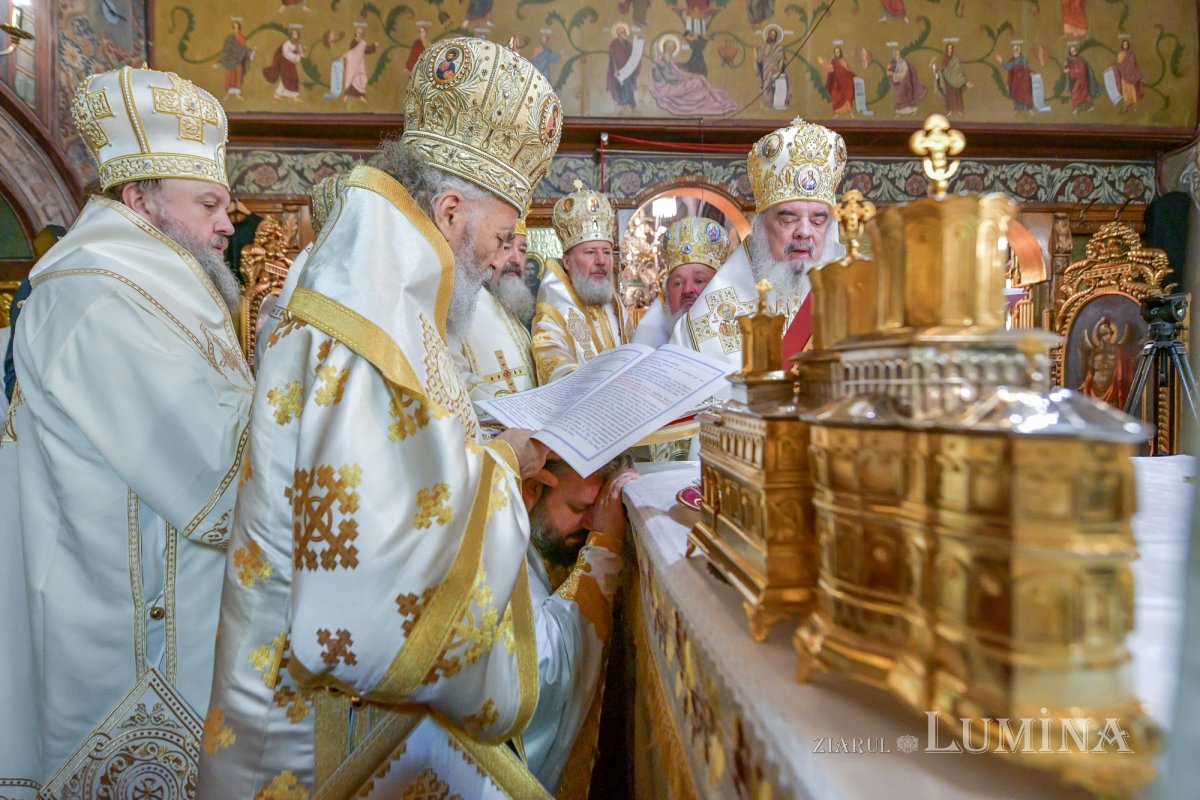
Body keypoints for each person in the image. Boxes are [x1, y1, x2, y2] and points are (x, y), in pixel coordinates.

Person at [195, 37, 564, 798]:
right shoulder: (363, 318)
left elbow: (392, 487)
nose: (503, 260)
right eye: (500, 238)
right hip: (321, 733)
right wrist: (504, 466)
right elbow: (375, 567)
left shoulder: (385, 296)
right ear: (450, 210)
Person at [0, 66, 250, 795]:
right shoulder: (96, 295)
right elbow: (213, 474)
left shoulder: (154, 287)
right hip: (122, 653)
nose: (227, 222)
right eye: (208, 203)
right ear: (140, 200)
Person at [670, 118, 847, 369]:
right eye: (789, 218)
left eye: (818, 220)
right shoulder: (706, 319)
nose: (805, 232)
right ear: (762, 227)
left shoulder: (856, 289)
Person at [521, 455, 637, 793]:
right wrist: (603, 547)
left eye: (600, 508)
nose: (592, 523)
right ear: (534, 488)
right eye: (577, 507)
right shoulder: (495, 540)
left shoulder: (543, 533)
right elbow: (542, 670)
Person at [532, 180, 629, 383]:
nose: (601, 261)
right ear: (567, 262)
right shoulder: (552, 317)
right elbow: (557, 375)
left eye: (606, 252)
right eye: (590, 252)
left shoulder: (614, 306)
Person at [456, 211, 538, 409]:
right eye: (507, 247)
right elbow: (450, 373)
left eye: (522, 250)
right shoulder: (461, 301)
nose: (516, 259)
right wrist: (506, 405)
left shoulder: (512, 303)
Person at [633, 216, 727, 348]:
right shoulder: (649, 352)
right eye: (678, 283)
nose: (688, 289)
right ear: (666, 297)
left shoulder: (744, 347)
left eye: (699, 281)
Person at [648, 34, 737, 116]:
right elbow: (668, 76)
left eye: (673, 50)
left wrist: (689, 76)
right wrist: (682, 78)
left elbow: (677, 70)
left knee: (699, 78)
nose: (672, 52)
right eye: (671, 49)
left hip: (676, 82)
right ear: (665, 48)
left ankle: (712, 97)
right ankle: (708, 99)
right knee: (697, 83)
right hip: (669, 88)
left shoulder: (668, 59)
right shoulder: (661, 62)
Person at [264, 25, 304, 101]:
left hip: (291, 63)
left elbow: (301, 53)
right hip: (285, 63)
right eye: (293, 33)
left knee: (289, 78)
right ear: (291, 34)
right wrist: (297, 56)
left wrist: (302, 54)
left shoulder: (298, 44)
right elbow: (286, 53)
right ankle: (292, 96)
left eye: (296, 34)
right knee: (287, 78)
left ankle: (285, 95)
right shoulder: (287, 43)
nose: (294, 35)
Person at [218, 19, 254, 99]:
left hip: (238, 60)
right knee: (230, 76)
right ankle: (229, 93)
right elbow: (226, 49)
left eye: (237, 28)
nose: (236, 29)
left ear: (239, 29)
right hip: (230, 60)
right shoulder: (229, 38)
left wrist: (249, 53)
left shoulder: (242, 38)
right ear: (232, 28)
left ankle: (237, 93)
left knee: (238, 75)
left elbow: (243, 49)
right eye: (234, 28)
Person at [607, 21, 640, 108]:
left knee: (628, 83)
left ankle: (629, 100)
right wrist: (615, 69)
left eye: (624, 32)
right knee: (620, 84)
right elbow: (613, 57)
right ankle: (624, 100)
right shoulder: (614, 44)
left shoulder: (629, 44)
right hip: (618, 68)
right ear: (618, 34)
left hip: (628, 68)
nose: (624, 34)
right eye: (621, 32)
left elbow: (633, 55)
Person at [756, 24, 789, 110]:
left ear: (775, 37)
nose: (771, 36)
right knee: (765, 87)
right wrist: (756, 54)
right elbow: (760, 60)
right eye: (770, 34)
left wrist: (778, 71)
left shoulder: (778, 48)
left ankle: (771, 102)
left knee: (769, 86)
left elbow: (782, 60)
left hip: (773, 70)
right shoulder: (763, 47)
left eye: (773, 35)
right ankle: (766, 103)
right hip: (765, 70)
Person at [342, 25, 377, 103]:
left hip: (360, 64)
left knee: (362, 78)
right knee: (351, 78)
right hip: (353, 64)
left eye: (361, 33)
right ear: (356, 33)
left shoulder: (363, 43)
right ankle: (346, 95)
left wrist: (374, 45)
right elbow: (352, 53)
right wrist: (345, 56)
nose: (359, 34)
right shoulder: (353, 42)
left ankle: (361, 96)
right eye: (358, 33)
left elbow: (367, 50)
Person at [933, 42, 970, 116]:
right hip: (947, 79)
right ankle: (950, 110)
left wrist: (963, 80)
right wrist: (936, 71)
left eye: (951, 48)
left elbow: (959, 69)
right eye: (949, 48)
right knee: (949, 96)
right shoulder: (944, 58)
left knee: (957, 95)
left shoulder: (955, 59)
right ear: (947, 49)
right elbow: (943, 69)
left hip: (955, 79)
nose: (950, 49)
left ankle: (959, 110)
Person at [887, 47, 926, 115]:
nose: (897, 56)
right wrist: (890, 71)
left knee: (901, 94)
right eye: (896, 54)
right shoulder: (896, 63)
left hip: (905, 81)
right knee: (900, 94)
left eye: (898, 54)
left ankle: (908, 109)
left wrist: (893, 74)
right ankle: (906, 109)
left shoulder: (903, 62)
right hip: (900, 81)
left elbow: (903, 74)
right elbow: (893, 71)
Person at [998, 44, 1035, 113]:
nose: (1015, 51)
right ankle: (1017, 108)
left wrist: (1030, 73)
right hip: (1015, 79)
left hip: (1023, 79)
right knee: (1014, 92)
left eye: (1016, 49)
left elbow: (1026, 68)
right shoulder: (1013, 59)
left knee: (1026, 93)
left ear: (1019, 50)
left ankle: (1029, 108)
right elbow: (1009, 67)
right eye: (1014, 50)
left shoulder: (1023, 59)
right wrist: (1002, 61)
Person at [1065, 43, 1101, 113]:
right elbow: (1066, 70)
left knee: (1086, 93)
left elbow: (1087, 68)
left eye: (1075, 50)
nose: (1074, 52)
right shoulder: (1068, 60)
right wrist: (1072, 71)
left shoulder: (1081, 58)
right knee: (1075, 93)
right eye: (1072, 51)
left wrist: (1080, 71)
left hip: (1083, 79)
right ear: (1070, 52)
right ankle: (1076, 108)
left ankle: (1091, 106)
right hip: (1076, 79)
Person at [822, 46, 857, 115]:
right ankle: (837, 112)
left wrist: (853, 76)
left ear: (840, 53)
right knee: (836, 96)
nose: (837, 53)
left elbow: (847, 71)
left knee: (847, 93)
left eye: (838, 52)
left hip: (845, 82)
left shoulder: (843, 61)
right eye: (835, 52)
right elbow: (829, 70)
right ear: (834, 53)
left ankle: (848, 111)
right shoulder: (832, 61)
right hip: (836, 82)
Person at [1114, 38, 1143, 109]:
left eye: (1126, 44)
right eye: (1124, 44)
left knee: (1132, 90)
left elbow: (1134, 65)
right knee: (1126, 91)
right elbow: (1119, 65)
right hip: (1124, 76)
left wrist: (1138, 75)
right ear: (1122, 46)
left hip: (1131, 75)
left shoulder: (1131, 54)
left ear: (1128, 45)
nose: (1125, 45)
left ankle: (1134, 106)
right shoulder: (1120, 54)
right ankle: (1127, 105)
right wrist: (1113, 67)